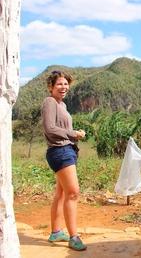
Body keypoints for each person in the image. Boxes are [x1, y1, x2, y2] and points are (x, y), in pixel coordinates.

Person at [41, 70, 87, 251]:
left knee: (61, 193)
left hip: (67, 149)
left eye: (66, 84)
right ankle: (73, 237)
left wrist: (75, 134)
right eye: (59, 84)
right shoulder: (49, 102)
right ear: (51, 87)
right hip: (59, 151)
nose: (63, 87)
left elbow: (62, 129)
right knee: (73, 193)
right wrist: (73, 133)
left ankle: (56, 232)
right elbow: (50, 128)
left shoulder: (63, 105)